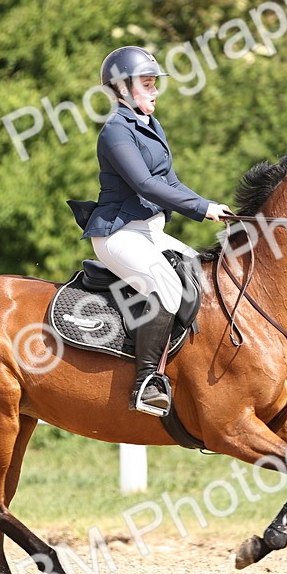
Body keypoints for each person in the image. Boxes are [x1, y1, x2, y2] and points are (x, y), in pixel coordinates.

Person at [67, 46, 232, 416]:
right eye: (147, 83)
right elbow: (145, 184)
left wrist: (211, 205)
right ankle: (146, 382)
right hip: (118, 234)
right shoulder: (115, 131)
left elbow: (170, 182)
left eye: (154, 82)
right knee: (166, 288)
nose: (155, 90)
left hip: (148, 232)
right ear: (122, 88)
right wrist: (200, 209)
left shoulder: (150, 125)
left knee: (203, 277)